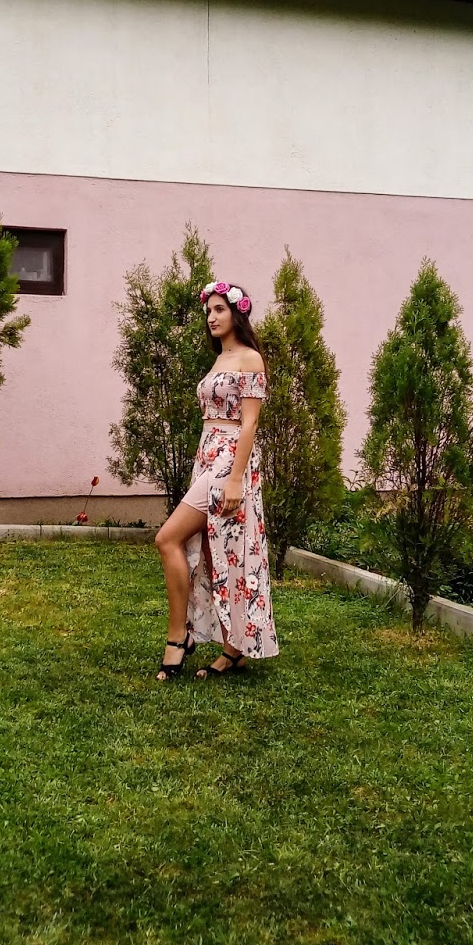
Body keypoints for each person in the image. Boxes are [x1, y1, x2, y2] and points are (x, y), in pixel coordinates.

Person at [154, 280, 279, 680]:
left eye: (220, 309)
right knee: (214, 552)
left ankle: (179, 638)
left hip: (230, 461)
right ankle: (232, 649)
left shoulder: (250, 358)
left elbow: (250, 422)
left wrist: (236, 479)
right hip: (207, 457)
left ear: (238, 313)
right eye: (208, 310)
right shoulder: (220, 359)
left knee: (168, 538)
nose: (211, 316)